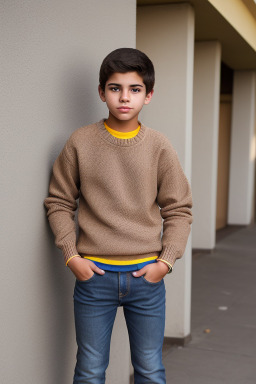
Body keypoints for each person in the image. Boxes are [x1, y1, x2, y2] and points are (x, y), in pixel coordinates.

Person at [44, 47, 193, 384]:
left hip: (147, 277)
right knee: (90, 370)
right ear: (102, 92)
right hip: (94, 276)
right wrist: (72, 257)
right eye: (115, 88)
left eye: (135, 89)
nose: (124, 98)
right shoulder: (80, 142)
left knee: (150, 369)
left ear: (148, 95)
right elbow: (58, 202)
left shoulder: (159, 146)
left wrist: (165, 263)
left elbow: (179, 209)